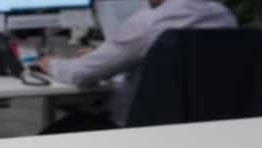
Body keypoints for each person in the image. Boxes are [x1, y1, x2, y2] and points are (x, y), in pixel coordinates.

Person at [36, 0, 236, 133]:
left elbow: (80, 74)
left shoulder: (149, 22)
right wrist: (106, 56)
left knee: (48, 137)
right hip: (205, 130)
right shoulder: (224, 17)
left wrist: (50, 63)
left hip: (136, 129)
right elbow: (176, 65)